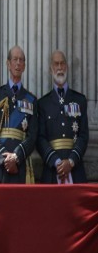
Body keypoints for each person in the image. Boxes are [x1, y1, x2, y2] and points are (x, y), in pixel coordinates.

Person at [0, 45, 37, 184]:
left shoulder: (31, 100)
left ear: (24, 66)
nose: (18, 63)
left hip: (20, 167)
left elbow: (33, 136)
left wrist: (16, 157)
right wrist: (4, 159)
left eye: (21, 60)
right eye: (15, 59)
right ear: (8, 64)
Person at [36, 50, 88, 184]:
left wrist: (71, 161)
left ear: (67, 67)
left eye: (62, 63)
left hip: (75, 170)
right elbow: (40, 138)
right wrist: (56, 162)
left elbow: (83, 135)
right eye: (56, 64)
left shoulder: (79, 100)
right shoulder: (42, 103)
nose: (59, 67)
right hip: (51, 171)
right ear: (50, 69)